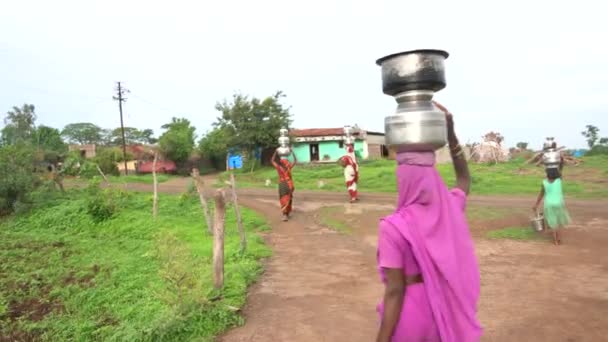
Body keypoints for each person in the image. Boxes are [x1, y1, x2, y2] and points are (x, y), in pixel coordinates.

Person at [376, 102, 482, 342]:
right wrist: (451, 134)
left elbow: (395, 291)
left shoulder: (392, 226)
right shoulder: (449, 210)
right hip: (443, 310)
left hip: (410, 318)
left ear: (403, 180)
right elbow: (464, 179)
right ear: (431, 178)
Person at [533, 167, 570, 245]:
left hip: (549, 204)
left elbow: (541, 195)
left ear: (548, 174)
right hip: (559, 203)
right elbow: (561, 170)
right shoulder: (559, 180)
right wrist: (561, 161)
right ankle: (558, 237)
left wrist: (536, 205)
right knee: (557, 221)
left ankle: (555, 240)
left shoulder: (544, 182)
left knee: (552, 222)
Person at [271, 149, 297, 221]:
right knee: (288, 198)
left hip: (282, 184)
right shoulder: (289, 167)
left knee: (283, 199)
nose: (286, 163)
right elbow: (295, 161)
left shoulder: (279, 167)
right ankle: (286, 213)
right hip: (289, 184)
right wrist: (292, 152)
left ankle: (285, 214)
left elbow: (272, 161)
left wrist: (275, 152)